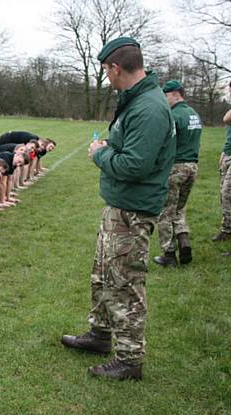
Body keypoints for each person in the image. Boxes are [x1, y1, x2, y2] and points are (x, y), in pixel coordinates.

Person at [60, 36, 175, 380]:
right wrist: (111, 145)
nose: (106, 78)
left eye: (106, 71)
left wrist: (99, 154)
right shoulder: (136, 100)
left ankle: (129, 359)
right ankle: (99, 336)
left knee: (124, 282)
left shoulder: (149, 107)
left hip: (134, 209)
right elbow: (131, 149)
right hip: (120, 205)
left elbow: (135, 166)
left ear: (115, 67)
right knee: (103, 275)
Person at [153, 80, 202, 267]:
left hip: (175, 168)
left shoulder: (173, 116)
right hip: (192, 167)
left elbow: (164, 143)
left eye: (166, 95)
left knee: (166, 211)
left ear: (176, 94)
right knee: (179, 208)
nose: (165, 100)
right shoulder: (193, 114)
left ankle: (169, 254)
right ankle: (183, 239)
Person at [212, 80, 231, 244]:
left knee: (227, 192)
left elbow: (226, 118)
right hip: (228, 152)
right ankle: (226, 230)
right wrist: (224, 152)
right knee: (223, 193)